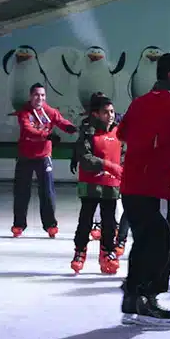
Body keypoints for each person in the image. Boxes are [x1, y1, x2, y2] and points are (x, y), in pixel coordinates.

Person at [117, 51, 170, 329]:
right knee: (159, 242)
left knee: (145, 239)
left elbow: (122, 134)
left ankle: (133, 298)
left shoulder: (140, 102)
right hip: (156, 187)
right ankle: (146, 299)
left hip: (131, 184)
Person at [12, 83, 76, 238]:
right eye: (36, 95)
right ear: (30, 96)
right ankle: (19, 224)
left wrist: (70, 127)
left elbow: (60, 120)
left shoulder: (49, 111)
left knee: (47, 192)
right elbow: (28, 130)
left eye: (42, 95)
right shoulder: (24, 112)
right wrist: (46, 136)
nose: (39, 98)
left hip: (43, 157)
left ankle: (50, 225)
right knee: (21, 191)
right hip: (25, 157)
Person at [71, 95, 123, 275]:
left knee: (109, 222)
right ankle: (80, 251)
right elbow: (85, 158)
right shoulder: (88, 132)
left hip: (111, 185)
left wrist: (121, 169)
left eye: (112, 112)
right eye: (105, 112)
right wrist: (108, 165)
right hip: (90, 184)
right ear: (96, 114)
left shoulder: (118, 132)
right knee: (85, 220)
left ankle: (107, 252)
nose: (110, 116)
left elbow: (123, 154)